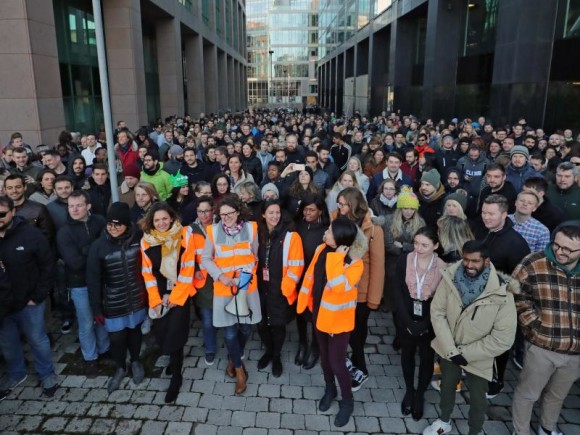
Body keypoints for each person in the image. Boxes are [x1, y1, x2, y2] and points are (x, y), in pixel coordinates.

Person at [423, 241, 517, 435]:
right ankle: (444, 421)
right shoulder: (449, 278)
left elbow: (503, 338)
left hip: (479, 357)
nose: (469, 265)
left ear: (486, 261)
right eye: (466, 259)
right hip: (449, 350)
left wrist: (463, 354)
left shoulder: (502, 292)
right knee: (447, 387)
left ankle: (474, 431)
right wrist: (451, 350)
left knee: (478, 398)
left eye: (475, 261)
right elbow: (437, 312)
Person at [297, 217, 366, 427]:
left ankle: (347, 401)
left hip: (339, 321)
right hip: (319, 314)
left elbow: (338, 286)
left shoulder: (355, 263)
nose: (324, 233)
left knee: (337, 362)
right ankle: (330, 389)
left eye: (329, 231)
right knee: (325, 359)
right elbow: (312, 277)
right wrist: (306, 303)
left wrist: (337, 259)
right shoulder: (321, 249)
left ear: (340, 238)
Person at [511, 223, 580, 435]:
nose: (559, 251)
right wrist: (534, 324)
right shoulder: (534, 262)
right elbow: (515, 293)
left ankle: (547, 428)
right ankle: (520, 431)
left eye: (568, 249)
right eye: (557, 245)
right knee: (528, 393)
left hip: (575, 352)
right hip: (541, 346)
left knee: (557, 395)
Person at [201, 195, 262, 395]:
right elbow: (206, 259)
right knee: (229, 332)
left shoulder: (251, 229)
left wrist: (243, 280)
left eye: (230, 213)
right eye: (222, 214)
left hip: (246, 287)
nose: (226, 217)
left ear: (238, 212)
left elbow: (254, 258)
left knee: (245, 329)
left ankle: (233, 357)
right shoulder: (213, 231)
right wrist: (221, 276)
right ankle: (238, 369)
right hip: (224, 288)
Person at [0, 196, 58, 400]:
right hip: (3, 306)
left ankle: (47, 374)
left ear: (13, 212)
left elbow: (47, 266)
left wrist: (38, 295)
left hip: (29, 302)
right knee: (7, 342)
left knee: (37, 339)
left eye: (2, 213)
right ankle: (17, 374)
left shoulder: (31, 235)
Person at [87, 202, 148, 393]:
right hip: (113, 302)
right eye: (109, 224)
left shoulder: (139, 238)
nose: (112, 228)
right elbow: (93, 279)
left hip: (136, 298)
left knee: (135, 333)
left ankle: (136, 361)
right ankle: (121, 367)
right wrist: (96, 308)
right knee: (117, 339)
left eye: (117, 224)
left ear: (127, 225)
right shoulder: (98, 246)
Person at [140, 202, 196, 403]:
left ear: (172, 218)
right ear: (151, 222)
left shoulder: (184, 236)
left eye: (165, 218)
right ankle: (173, 359)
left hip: (179, 294)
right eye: (157, 220)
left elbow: (188, 269)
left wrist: (174, 299)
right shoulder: (146, 241)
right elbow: (147, 274)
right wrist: (155, 300)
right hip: (159, 294)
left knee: (176, 334)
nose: (161, 223)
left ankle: (177, 377)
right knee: (163, 333)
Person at [334, 187, 384, 391]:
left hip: (362, 293)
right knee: (347, 331)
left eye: (343, 204)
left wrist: (374, 299)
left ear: (353, 205)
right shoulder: (339, 222)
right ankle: (351, 365)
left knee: (357, 333)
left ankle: (360, 368)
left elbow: (378, 266)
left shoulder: (373, 230)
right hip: (343, 289)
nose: (339, 207)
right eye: (338, 203)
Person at [394, 227, 445, 421]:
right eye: (416, 243)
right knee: (407, 354)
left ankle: (420, 394)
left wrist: (425, 323)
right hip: (406, 316)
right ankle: (409, 390)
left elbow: (441, 300)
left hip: (429, 319)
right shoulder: (404, 260)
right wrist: (406, 320)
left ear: (436, 246)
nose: (419, 248)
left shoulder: (442, 266)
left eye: (424, 245)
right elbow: (397, 290)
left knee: (426, 357)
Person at [56, 190, 109, 378]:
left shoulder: (100, 221)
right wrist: (94, 248)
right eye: (71, 206)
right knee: (86, 322)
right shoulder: (64, 232)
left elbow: (108, 246)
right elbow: (75, 262)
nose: (74, 209)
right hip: (80, 284)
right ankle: (90, 358)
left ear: (88, 206)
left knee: (103, 317)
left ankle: (104, 349)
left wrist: (87, 250)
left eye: (79, 205)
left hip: (103, 279)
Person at [256, 200, 304, 377]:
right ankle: (269, 350)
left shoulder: (292, 236)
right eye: (270, 213)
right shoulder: (257, 233)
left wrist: (286, 289)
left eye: (277, 212)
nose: (275, 216)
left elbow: (296, 266)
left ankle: (276, 356)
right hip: (260, 288)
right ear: (263, 215)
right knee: (261, 325)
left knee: (278, 325)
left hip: (280, 289)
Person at [294, 193, 330, 369]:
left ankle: (316, 348)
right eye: (305, 209)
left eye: (312, 210)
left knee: (315, 314)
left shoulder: (326, 230)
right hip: (299, 277)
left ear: (320, 211)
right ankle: (302, 343)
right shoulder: (299, 225)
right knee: (300, 313)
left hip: (317, 280)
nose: (307, 213)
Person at [189, 196, 218, 365]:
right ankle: (210, 348)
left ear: (213, 210)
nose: (204, 214)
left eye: (207, 210)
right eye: (200, 211)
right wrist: (195, 269)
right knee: (207, 320)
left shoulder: (220, 225)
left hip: (221, 277)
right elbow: (187, 255)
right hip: (203, 281)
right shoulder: (190, 230)